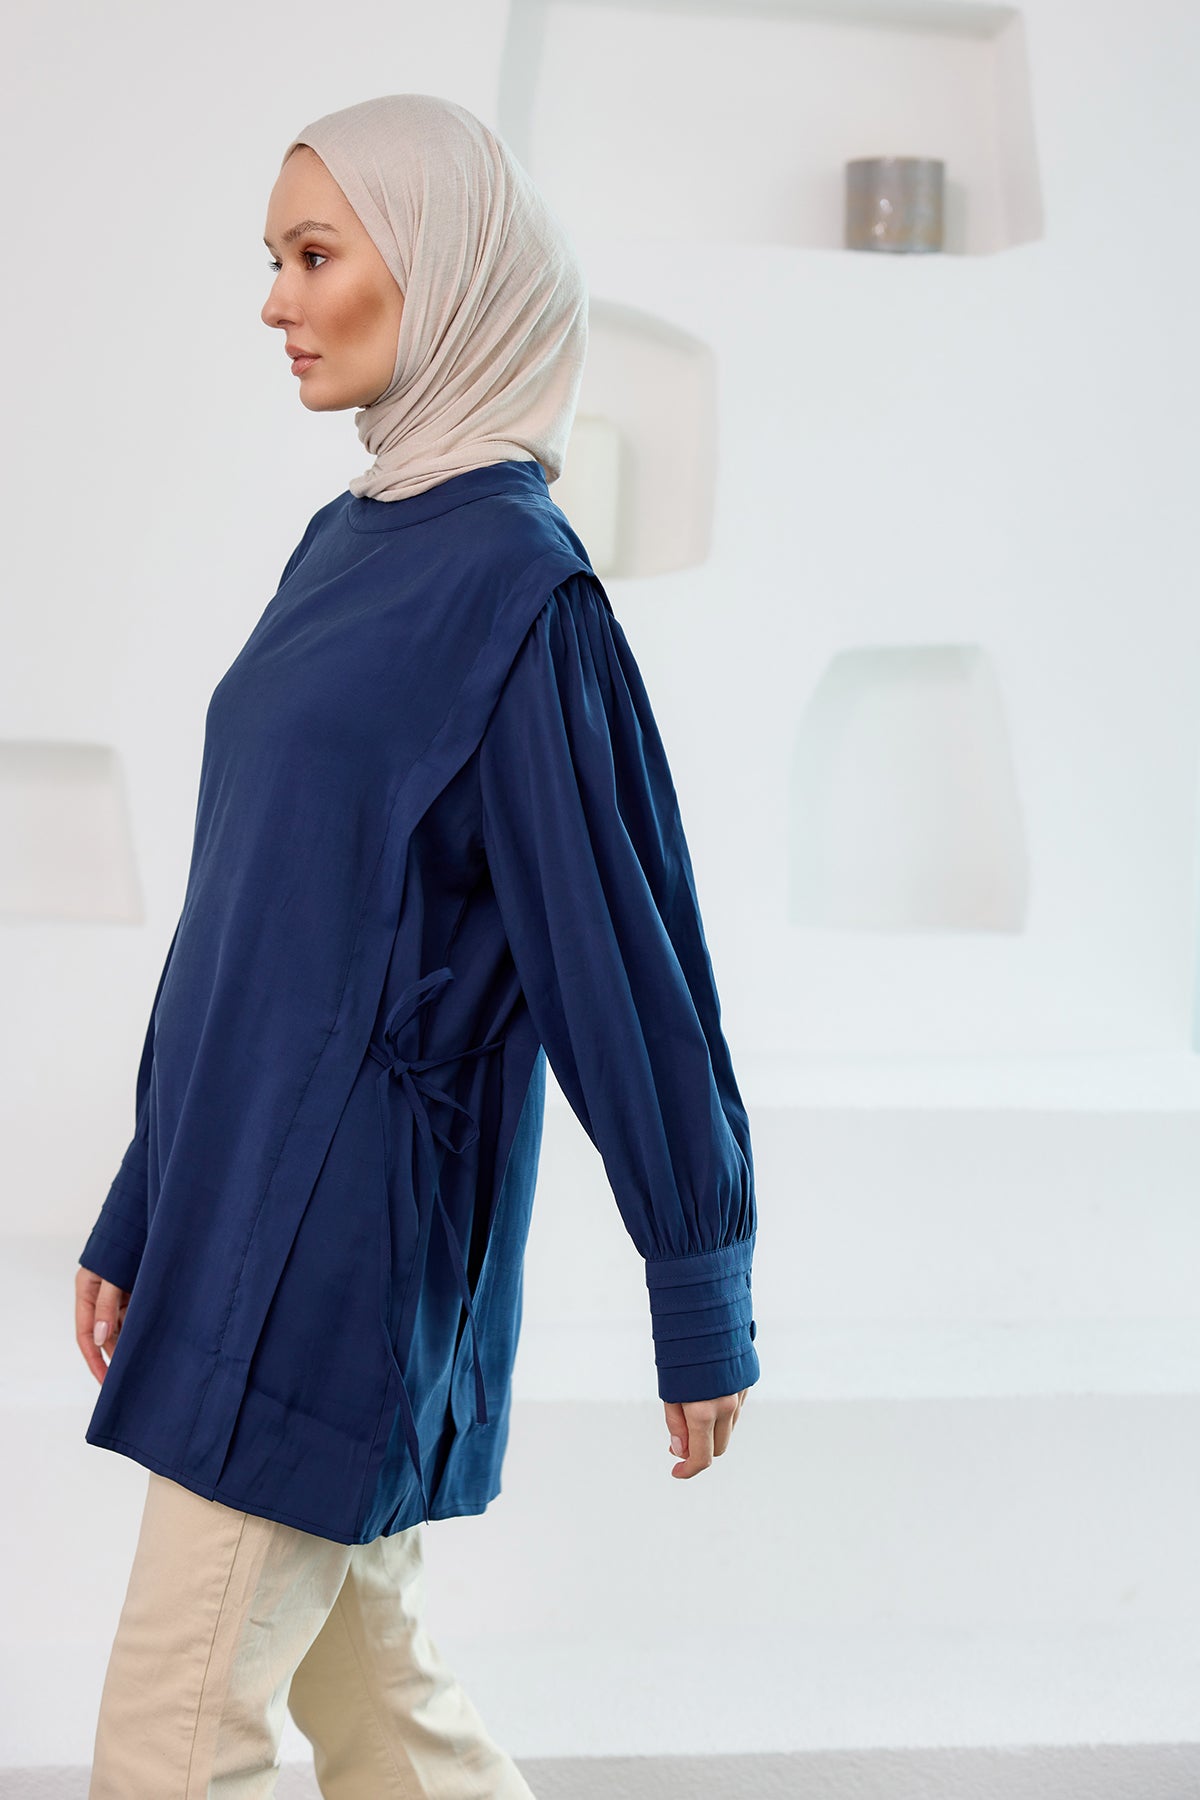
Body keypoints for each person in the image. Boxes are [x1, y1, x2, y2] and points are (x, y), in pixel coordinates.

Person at [74, 93, 760, 1797]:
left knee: (173, 1742)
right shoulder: (350, 541)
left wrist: (700, 1281)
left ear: (445, 273)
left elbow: (626, 964)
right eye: (273, 259)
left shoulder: (519, 592)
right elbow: (248, 918)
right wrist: (147, 1196)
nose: (276, 301)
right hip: (243, 1207)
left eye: (315, 255)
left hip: (333, 1249)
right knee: (385, 1714)